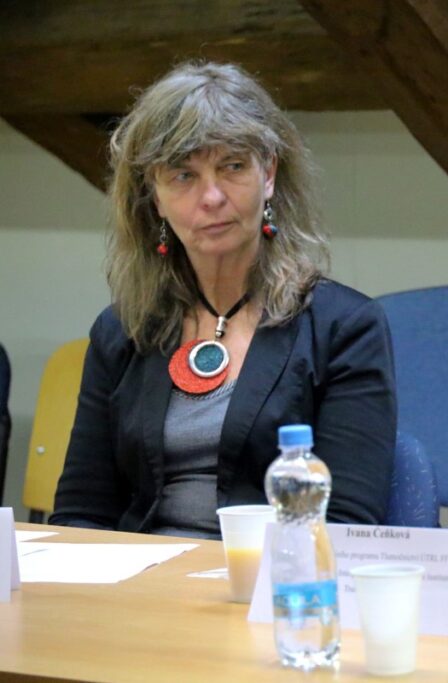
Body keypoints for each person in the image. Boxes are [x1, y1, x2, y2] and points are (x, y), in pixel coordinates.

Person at [51, 62, 396, 538]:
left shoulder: (344, 328)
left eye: (232, 166)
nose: (211, 197)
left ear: (268, 174)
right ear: (155, 197)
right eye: (183, 175)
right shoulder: (122, 330)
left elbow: (344, 524)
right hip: (142, 577)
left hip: (274, 575)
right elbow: (81, 512)